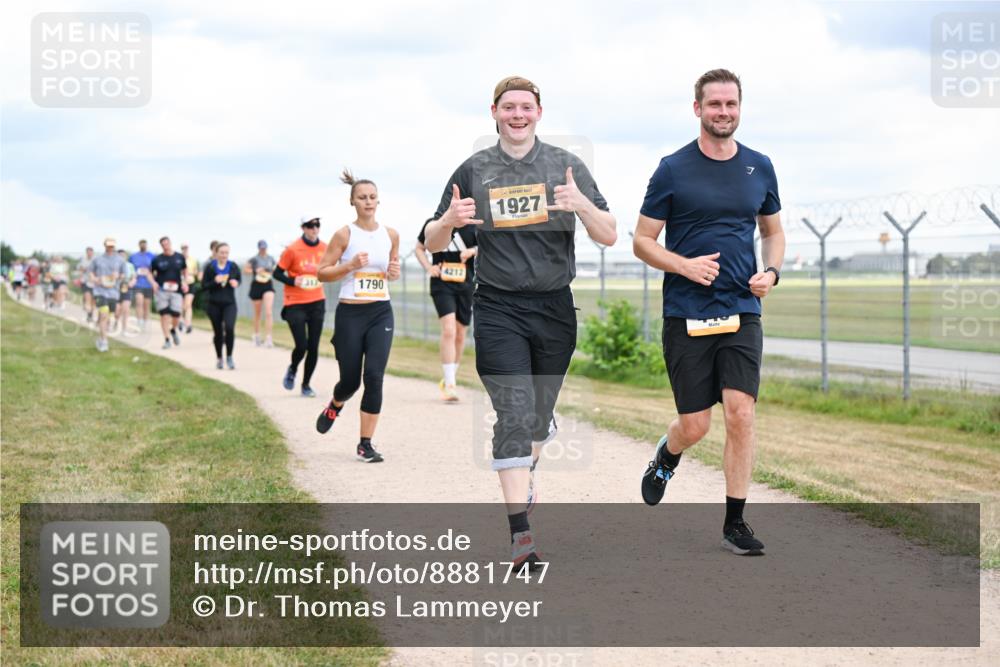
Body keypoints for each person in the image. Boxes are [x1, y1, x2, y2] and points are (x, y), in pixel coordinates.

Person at [422, 76, 616, 568]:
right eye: (508, 107)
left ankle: (533, 443)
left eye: (525, 107)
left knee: (533, 416)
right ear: (494, 112)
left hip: (554, 309)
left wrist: (582, 205)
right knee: (511, 412)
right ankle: (520, 535)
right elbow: (430, 238)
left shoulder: (565, 166)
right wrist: (451, 220)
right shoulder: (474, 168)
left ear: (538, 112)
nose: (517, 114)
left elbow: (610, 234)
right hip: (498, 307)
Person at [634, 69, 785, 557]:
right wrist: (684, 265)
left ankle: (735, 522)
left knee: (741, 412)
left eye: (731, 104)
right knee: (695, 424)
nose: (724, 112)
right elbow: (641, 241)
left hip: (742, 308)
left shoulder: (760, 167)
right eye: (714, 104)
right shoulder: (672, 169)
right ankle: (667, 453)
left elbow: (773, 232)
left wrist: (773, 272)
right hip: (687, 312)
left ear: (740, 108)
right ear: (697, 108)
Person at [314, 170, 401, 463]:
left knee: (374, 377)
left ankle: (365, 443)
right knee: (350, 382)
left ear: (379, 201)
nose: (368, 202)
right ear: (352, 201)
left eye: (373, 197)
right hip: (350, 313)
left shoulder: (390, 235)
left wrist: (393, 273)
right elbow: (322, 273)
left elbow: (391, 271)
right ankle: (336, 404)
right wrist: (349, 265)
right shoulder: (344, 235)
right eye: (362, 197)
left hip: (380, 311)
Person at [415, 216, 477, 401]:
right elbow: (419, 247)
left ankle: (450, 378)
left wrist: (473, 251)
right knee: (449, 330)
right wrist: (429, 267)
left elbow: (490, 247)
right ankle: (450, 384)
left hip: (466, 284)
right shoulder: (434, 223)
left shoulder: (473, 224)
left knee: (460, 334)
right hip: (442, 284)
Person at [273, 217, 328, 397]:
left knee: (313, 346)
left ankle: (306, 385)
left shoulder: (324, 248)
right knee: (301, 345)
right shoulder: (293, 249)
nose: (315, 229)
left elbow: (330, 268)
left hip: (317, 301)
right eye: (311, 226)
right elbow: (277, 273)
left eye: (317, 225)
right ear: (303, 228)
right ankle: (293, 368)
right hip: (295, 303)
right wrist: (292, 280)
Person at [201, 242, 242, 369]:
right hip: (214, 304)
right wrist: (215, 281)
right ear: (216, 253)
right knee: (218, 332)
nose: (224, 255)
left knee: (229, 328)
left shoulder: (233, 266)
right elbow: (204, 286)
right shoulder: (210, 267)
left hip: (229, 304)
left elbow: (239, 280)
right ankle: (219, 358)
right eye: (222, 253)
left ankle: (229, 356)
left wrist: (236, 282)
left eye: (226, 253)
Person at [88, 238, 127, 352]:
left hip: (113, 292)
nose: (110, 248)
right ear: (104, 245)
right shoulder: (98, 259)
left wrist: (118, 276)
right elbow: (90, 272)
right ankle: (104, 341)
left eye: (112, 246)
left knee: (108, 317)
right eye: (108, 245)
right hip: (100, 291)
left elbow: (124, 275)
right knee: (104, 314)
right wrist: (95, 279)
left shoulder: (120, 260)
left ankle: (101, 337)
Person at [150, 236, 189, 349]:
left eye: (167, 243)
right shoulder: (157, 259)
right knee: (164, 314)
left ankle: (173, 330)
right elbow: (150, 273)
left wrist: (185, 282)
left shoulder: (179, 257)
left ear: (170, 243)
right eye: (163, 244)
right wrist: (153, 283)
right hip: (162, 291)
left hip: (176, 290)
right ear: (161, 246)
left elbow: (185, 270)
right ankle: (167, 339)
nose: (165, 246)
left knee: (176, 314)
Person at [245, 239, 276, 347]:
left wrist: (269, 270)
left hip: (267, 284)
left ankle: (268, 338)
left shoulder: (271, 258)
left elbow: (275, 269)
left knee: (268, 312)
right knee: (257, 313)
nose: (263, 250)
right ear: (258, 248)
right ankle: (256, 335)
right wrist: (255, 271)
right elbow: (245, 270)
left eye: (264, 248)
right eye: (261, 248)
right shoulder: (254, 259)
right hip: (257, 284)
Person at [130, 240, 155, 331]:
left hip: (148, 284)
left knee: (146, 305)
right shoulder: (133, 256)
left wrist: (149, 272)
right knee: (139, 302)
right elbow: (130, 268)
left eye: (144, 244)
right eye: (141, 244)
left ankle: (145, 323)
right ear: (139, 245)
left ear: (146, 245)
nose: (143, 245)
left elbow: (155, 269)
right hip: (137, 283)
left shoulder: (152, 256)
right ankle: (139, 322)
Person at [181, 243, 200, 334]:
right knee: (181, 305)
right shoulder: (179, 259)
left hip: (190, 283)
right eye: (183, 248)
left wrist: (191, 273)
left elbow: (196, 272)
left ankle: (188, 324)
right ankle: (180, 321)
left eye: (186, 248)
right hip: (180, 284)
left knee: (188, 304)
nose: (185, 250)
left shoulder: (193, 260)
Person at [78, 247, 96, 321]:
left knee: (93, 300)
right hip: (85, 281)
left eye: (91, 252)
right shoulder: (83, 259)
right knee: (87, 297)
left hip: (94, 283)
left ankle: (90, 314)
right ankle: (86, 306)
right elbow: (81, 269)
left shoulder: (96, 260)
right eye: (88, 252)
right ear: (86, 252)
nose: (89, 253)